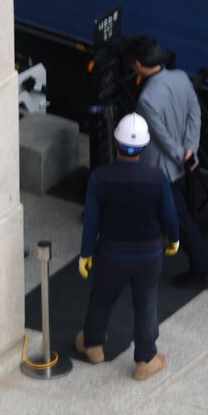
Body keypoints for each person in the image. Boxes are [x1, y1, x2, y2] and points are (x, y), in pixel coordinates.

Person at [75, 113, 180, 381]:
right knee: (146, 303)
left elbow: (92, 221)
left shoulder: (100, 177)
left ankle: (93, 346)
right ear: (145, 146)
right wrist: (174, 239)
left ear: (116, 143)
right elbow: (170, 215)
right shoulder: (157, 178)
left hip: (111, 253)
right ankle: (145, 360)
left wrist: (86, 253)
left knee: (101, 297)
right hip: (149, 254)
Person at [128, 35, 208, 289]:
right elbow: (194, 113)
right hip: (179, 161)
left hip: (159, 167)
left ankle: (204, 268)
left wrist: (179, 153)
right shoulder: (180, 78)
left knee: (178, 217)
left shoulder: (147, 99)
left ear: (138, 64)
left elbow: (160, 136)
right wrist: (190, 150)